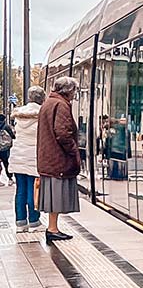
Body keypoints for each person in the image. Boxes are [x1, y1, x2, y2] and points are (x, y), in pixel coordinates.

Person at [37, 76, 82, 242]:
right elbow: (63, 133)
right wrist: (74, 151)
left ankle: (53, 227)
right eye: (74, 91)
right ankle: (53, 229)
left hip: (49, 157)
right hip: (58, 159)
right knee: (56, 195)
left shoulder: (48, 103)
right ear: (69, 91)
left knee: (52, 195)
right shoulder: (61, 105)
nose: (75, 94)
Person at [10, 87, 44, 232]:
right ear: (42, 98)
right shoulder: (42, 114)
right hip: (33, 157)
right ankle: (34, 221)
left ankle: (20, 222)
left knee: (20, 190)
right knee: (33, 189)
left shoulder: (19, 115)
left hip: (18, 155)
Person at [0, 114, 14, 186]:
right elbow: (13, 136)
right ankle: (10, 179)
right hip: (5, 149)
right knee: (6, 164)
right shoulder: (6, 126)